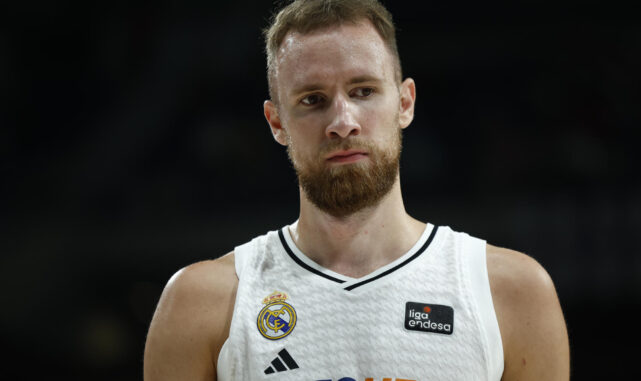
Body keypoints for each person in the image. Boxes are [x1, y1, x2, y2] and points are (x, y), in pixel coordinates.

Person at [143, 0, 570, 380]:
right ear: (276, 123)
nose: (342, 121)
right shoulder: (201, 304)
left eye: (363, 91)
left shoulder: (511, 293)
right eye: (313, 99)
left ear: (405, 103)